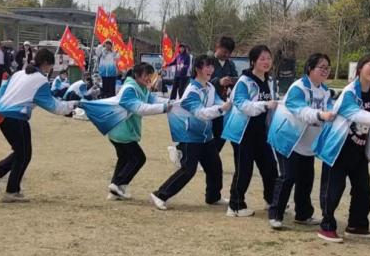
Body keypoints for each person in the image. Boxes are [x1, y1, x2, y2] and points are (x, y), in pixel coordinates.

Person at [314, 54, 370, 243]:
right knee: (333, 190)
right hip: (338, 149)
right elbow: (356, 113)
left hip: (359, 150)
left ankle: (357, 225)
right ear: (360, 68)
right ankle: (327, 226)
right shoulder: (349, 92)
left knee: (363, 190)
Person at [0, 47, 77, 202]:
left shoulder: (18, 73)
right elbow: (54, 106)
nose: (50, 69)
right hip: (16, 117)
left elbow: (1, 91)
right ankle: (11, 191)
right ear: (45, 64)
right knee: (23, 154)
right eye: (50, 66)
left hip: (4, 115)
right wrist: (73, 104)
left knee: (23, 152)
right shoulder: (41, 80)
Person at [81, 61, 172, 200]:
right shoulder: (129, 89)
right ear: (137, 75)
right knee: (139, 158)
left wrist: (170, 102)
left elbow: (152, 99)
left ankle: (114, 191)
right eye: (146, 75)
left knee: (124, 159)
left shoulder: (141, 87)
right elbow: (140, 108)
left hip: (120, 130)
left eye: (150, 75)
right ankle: (117, 184)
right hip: (122, 131)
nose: (149, 78)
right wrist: (164, 108)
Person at [152, 54, 233, 210]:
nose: (211, 69)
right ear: (197, 69)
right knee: (188, 170)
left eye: (212, 66)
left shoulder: (210, 87)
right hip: (190, 136)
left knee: (215, 166)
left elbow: (218, 102)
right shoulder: (191, 91)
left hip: (206, 136)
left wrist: (228, 104)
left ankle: (213, 197)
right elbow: (200, 113)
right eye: (207, 66)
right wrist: (221, 109)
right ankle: (160, 194)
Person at [266, 53, 336, 230]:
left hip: (307, 144)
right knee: (287, 177)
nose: (325, 71)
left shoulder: (325, 91)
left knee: (306, 178)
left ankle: (303, 214)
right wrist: (321, 115)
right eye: (321, 67)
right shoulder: (298, 87)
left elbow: (331, 110)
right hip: (288, 139)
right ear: (310, 68)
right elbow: (300, 110)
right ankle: (275, 214)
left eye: (327, 68)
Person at [222, 45, 279, 218]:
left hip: (261, 133)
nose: (266, 62)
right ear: (253, 61)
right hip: (242, 133)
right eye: (262, 59)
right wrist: (264, 105)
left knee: (270, 167)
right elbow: (242, 104)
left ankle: (271, 200)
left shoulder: (269, 81)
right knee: (244, 170)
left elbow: (273, 104)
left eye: (268, 58)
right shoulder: (244, 81)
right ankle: (235, 205)